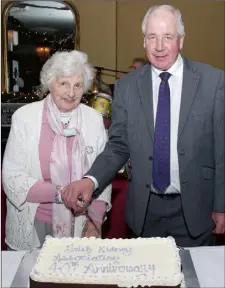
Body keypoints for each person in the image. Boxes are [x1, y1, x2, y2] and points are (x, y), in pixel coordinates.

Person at [62, 5, 224, 247]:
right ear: (144, 42)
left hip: (196, 209)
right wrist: (91, 180)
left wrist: (221, 206)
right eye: (152, 37)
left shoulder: (213, 82)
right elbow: (118, 145)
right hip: (145, 212)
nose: (159, 46)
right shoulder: (126, 87)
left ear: (180, 40)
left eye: (167, 37)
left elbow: (222, 150)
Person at [2, 50, 112, 250]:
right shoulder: (25, 118)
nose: (71, 93)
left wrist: (95, 221)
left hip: (81, 226)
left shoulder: (94, 120)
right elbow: (12, 178)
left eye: (78, 85)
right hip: (33, 224)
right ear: (49, 83)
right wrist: (62, 193)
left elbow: (102, 177)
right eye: (63, 84)